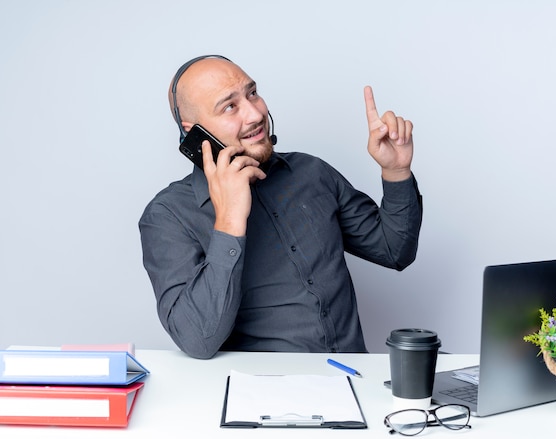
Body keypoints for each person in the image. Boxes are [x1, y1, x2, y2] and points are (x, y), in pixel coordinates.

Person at [139, 55, 423, 359]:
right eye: (230, 106)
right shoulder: (167, 216)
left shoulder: (312, 173)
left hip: (351, 382)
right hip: (257, 395)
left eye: (252, 93)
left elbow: (395, 251)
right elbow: (197, 339)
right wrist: (229, 221)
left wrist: (396, 173)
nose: (254, 114)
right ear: (195, 131)